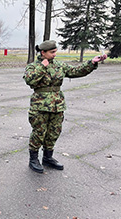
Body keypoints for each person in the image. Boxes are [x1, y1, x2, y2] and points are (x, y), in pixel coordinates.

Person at [23, 40, 107, 173]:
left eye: (55, 52)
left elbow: (76, 71)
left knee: (53, 132)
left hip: (57, 105)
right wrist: (42, 67)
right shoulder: (33, 66)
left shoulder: (59, 65)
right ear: (43, 52)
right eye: (52, 52)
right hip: (40, 106)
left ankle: (47, 158)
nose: (54, 55)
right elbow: (29, 80)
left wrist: (92, 63)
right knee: (39, 133)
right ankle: (33, 159)